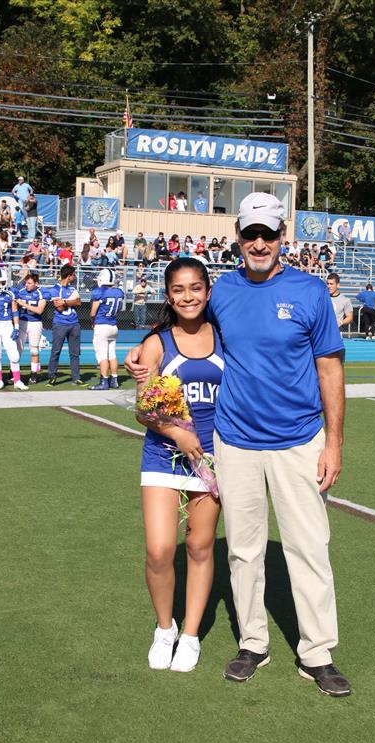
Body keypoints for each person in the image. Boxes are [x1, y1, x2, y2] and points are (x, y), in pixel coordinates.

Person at [126, 192, 351, 697]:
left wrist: (333, 443)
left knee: (308, 549)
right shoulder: (223, 291)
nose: (259, 242)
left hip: (299, 441)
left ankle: (317, 652)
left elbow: (331, 369)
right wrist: (142, 353)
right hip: (235, 444)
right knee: (244, 552)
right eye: (250, 233)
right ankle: (253, 642)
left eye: (268, 233)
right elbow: (184, 319)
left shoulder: (311, 291)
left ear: (282, 237)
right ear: (238, 238)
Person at [136, 257, 223, 672]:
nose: (188, 297)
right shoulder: (157, 343)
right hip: (163, 455)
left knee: (200, 547)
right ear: (168, 296)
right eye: (178, 290)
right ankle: (164, 628)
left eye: (195, 288)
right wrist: (178, 434)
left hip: (211, 460)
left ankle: (189, 637)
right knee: (159, 550)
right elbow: (144, 410)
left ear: (207, 290)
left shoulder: (226, 337)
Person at [0, 267, 28, 390]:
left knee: (14, 354)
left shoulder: (11, 292)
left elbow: (15, 310)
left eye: (2, 282)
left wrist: (16, 327)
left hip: (7, 325)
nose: (0, 285)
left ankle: (17, 380)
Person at [88, 268, 124, 390]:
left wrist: (92, 322)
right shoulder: (119, 292)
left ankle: (104, 382)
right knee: (112, 355)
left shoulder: (99, 292)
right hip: (113, 326)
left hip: (102, 326)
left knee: (102, 355)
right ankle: (114, 380)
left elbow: (93, 313)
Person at [47, 265, 83, 386]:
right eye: (73, 275)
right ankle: (52, 376)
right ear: (69, 276)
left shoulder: (72, 289)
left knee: (75, 352)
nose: (74, 277)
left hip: (74, 324)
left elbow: (79, 302)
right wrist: (70, 302)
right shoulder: (54, 289)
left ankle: (76, 377)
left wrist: (66, 301)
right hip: (60, 324)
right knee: (56, 351)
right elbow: (60, 307)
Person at [15, 271, 48, 384]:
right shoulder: (20, 292)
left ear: (36, 283)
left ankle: (33, 374)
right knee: (17, 349)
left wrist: (23, 304)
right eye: (26, 283)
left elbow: (39, 310)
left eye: (29, 283)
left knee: (34, 350)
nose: (26, 285)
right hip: (22, 322)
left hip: (35, 323)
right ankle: (13, 373)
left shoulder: (41, 292)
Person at [326, 272, 353, 352]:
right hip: (322, 334)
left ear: (338, 285)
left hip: (336, 335)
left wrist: (340, 322)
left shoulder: (345, 300)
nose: (329, 286)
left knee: (336, 362)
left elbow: (350, 317)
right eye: (327, 284)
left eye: (331, 284)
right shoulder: (322, 298)